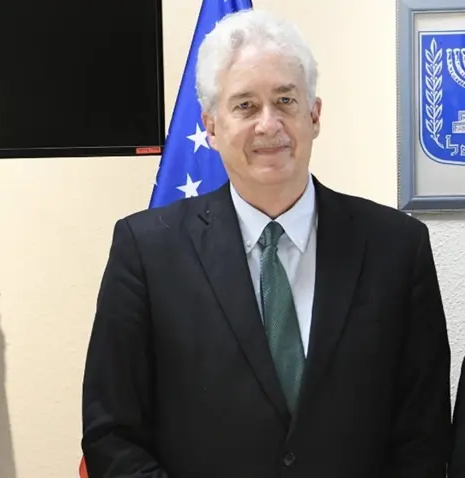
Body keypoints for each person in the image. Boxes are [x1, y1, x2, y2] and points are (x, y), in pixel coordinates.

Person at [81, 9, 452, 477]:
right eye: (245, 106)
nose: (268, 124)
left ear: (314, 115)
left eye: (285, 100)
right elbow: (111, 434)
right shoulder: (146, 251)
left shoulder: (397, 248)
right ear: (211, 126)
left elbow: (423, 434)